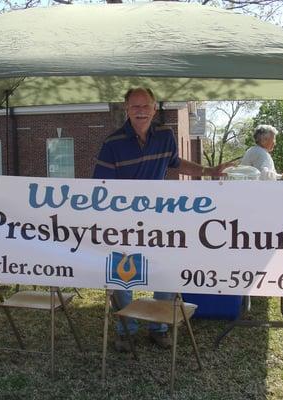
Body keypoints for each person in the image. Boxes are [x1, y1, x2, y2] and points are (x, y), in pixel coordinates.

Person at [93, 87, 233, 351]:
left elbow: (177, 163)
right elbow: (99, 187)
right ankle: (126, 330)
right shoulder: (111, 144)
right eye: (134, 107)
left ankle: (159, 327)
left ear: (154, 108)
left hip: (160, 221)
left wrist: (209, 171)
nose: (141, 111)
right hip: (123, 223)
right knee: (122, 276)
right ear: (126, 109)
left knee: (166, 272)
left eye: (145, 106)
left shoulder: (165, 136)